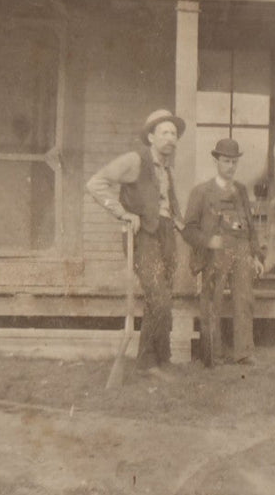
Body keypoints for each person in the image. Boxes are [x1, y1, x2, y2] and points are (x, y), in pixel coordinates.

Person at [87, 108, 186, 379]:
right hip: (143, 236)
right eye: (164, 132)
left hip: (165, 234)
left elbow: (167, 205)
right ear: (151, 137)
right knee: (159, 297)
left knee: (162, 298)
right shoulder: (134, 161)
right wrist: (123, 213)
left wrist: (179, 222)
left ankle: (158, 360)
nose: (170, 138)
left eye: (174, 134)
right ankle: (149, 362)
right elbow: (95, 184)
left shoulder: (168, 169)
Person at [182, 137, 264, 366]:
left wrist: (255, 255)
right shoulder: (201, 192)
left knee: (244, 299)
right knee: (212, 301)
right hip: (214, 253)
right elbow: (189, 230)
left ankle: (244, 352)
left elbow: (249, 225)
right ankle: (212, 354)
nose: (230, 166)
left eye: (234, 162)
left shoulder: (241, 191)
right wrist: (210, 241)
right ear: (216, 161)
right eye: (226, 161)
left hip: (241, 250)